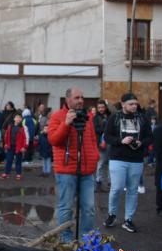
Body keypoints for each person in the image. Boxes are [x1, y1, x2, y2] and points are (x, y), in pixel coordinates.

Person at [48, 88, 98, 242]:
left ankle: (86, 240)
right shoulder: (57, 116)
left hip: (87, 170)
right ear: (68, 99)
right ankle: (66, 240)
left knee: (89, 208)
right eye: (77, 97)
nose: (81, 100)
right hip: (66, 170)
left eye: (82, 97)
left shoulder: (88, 117)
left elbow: (92, 140)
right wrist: (66, 123)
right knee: (66, 207)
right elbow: (54, 140)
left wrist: (95, 157)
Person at [103, 93, 153, 233]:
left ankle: (128, 219)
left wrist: (141, 142)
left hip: (136, 159)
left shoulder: (143, 118)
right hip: (118, 158)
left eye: (136, 104)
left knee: (132, 190)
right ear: (123, 104)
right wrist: (121, 141)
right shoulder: (114, 117)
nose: (134, 106)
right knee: (117, 188)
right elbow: (107, 136)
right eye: (131, 104)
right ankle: (112, 215)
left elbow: (150, 137)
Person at [1, 113, 28, 180]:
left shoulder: (24, 127)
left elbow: (26, 138)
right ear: (14, 119)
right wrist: (6, 144)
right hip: (11, 146)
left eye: (19, 118)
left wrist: (24, 147)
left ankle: (18, 174)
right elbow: (6, 136)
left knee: (18, 161)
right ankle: (6, 173)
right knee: (9, 160)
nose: (18, 119)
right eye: (17, 117)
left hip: (19, 147)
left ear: (21, 119)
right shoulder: (10, 126)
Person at [93, 100, 111, 192]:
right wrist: (105, 128)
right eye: (99, 107)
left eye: (102, 107)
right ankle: (98, 182)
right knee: (100, 164)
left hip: (111, 143)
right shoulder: (95, 118)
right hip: (101, 143)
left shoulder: (110, 116)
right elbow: (96, 130)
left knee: (110, 164)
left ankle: (109, 183)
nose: (101, 109)